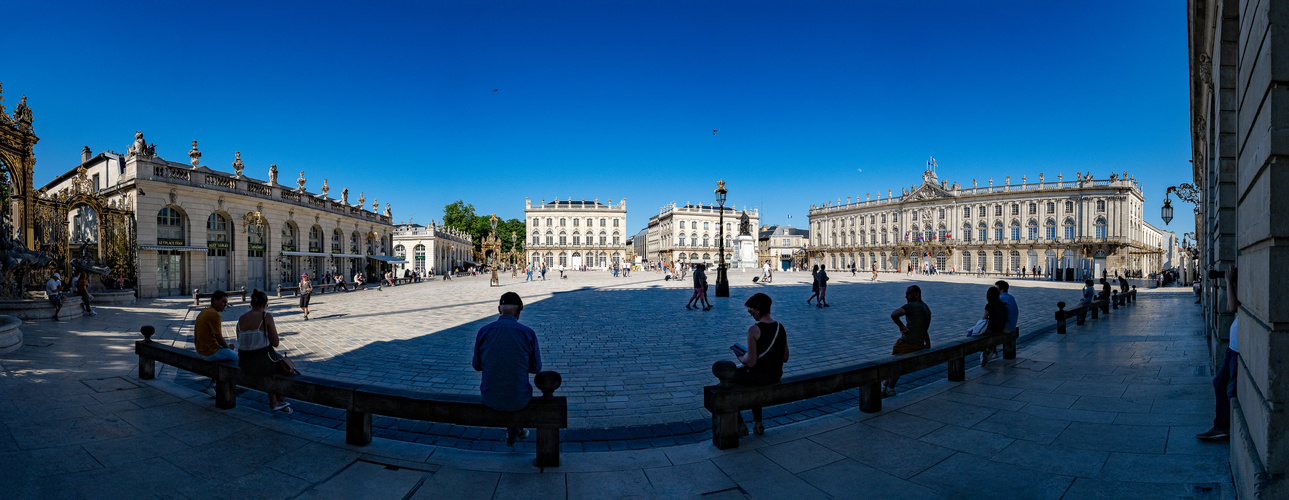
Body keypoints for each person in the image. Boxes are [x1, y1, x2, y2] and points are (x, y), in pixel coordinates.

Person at [472, 292, 542, 446]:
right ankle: (516, 429)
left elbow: (477, 365)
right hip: (520, 398)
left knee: (504, 383)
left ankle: (514, 429)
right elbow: (536, 368)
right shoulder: (528, 333)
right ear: (519, 312)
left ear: (499, 309)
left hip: (490, 396)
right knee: (515, 386)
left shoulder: (484, 332)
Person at [731, 293, 789, 435]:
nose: (750, 314)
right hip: (775, 375)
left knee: (728, 382)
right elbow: (786, 357)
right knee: (755, 383)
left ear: (757, 310)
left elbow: (751, 362)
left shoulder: (754, 330)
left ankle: (740, 425)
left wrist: (740, 357)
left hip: (759, 376)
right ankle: (758, 422)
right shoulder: (780, 327)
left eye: (750, 311)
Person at [1199, 266, 1239, 440]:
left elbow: (1232, 307)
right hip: (1232, 349)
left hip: (1237, 351)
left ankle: (1222, 426)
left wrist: (1229, 282)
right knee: (1219, 383)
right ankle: (1221, 425)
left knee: (1228, 389)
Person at [236, 290, 292, 414]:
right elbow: (275, 342)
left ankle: (274, 402)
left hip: (244, 361)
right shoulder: (266, 316)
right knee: (284, 367)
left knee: (268, 369)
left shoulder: (241, 318)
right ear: (265, 303)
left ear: (251, 303)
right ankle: (280, 400)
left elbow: (239, 339)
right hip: (262, 360)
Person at [883, 285, 931, 396]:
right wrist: (928, 343)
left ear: (917, 294)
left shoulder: (912, 306)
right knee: (895, 365)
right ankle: (884, 385)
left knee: (895, 365)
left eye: (908, 293)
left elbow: (894, 314)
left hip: (907, 344)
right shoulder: (926, 308)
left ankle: (890, 388)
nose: (906, 296)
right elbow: (924, 328)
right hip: (919, 344)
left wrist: (901, 326)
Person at [195, 290, 237, 362]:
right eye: (223, 302)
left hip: (200, 351)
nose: (225, 305)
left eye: (226, 302)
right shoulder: (215, 315)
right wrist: (228, 347)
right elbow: (219, 339)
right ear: (215, 301)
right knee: (240, 359)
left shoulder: (204, 312)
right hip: (210, 353)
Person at [980, 286, 1010, 367]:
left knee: (981, 333)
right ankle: (993, 351)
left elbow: (984, 318)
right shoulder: (1002, 304)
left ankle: (986, 351)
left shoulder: (989, 305)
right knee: (993, 330)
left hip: (993, 329)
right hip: (1001, 328)